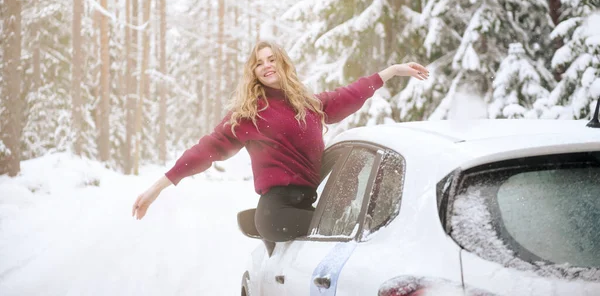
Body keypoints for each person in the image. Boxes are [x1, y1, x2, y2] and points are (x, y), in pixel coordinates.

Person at [131, 41, 429, 242]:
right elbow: (205, 150)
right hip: (277, 213)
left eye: (272, 59)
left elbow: (349, 94)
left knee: (361, 229)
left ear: (283, 64)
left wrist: (391, 72)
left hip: (308, 205)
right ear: (254, 73)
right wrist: (157, 187)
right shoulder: (248, 114)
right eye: (259, 63)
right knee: (360, 236)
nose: (267, 65)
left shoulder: (309, 104)